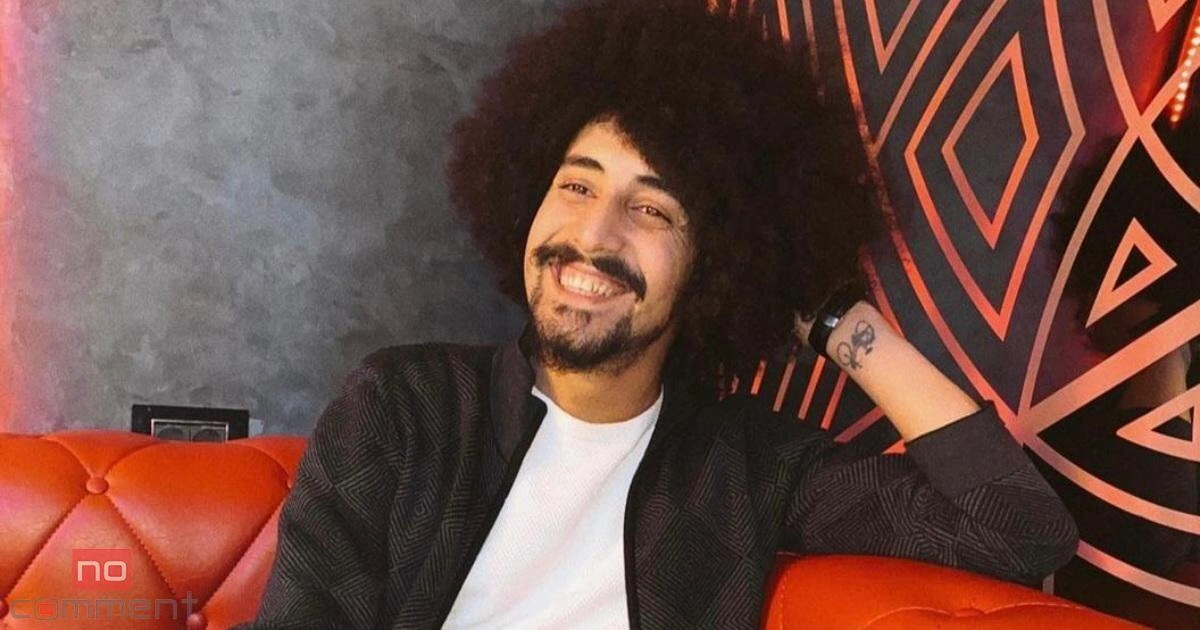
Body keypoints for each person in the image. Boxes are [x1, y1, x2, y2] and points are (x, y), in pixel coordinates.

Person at [240, 1, 1078, 628]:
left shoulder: (746, 468)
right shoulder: (404, 408)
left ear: (718, 261)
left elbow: (1017, 529)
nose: (593, 237)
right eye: (577, 185)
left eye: (652, 209)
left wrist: (830, 319)